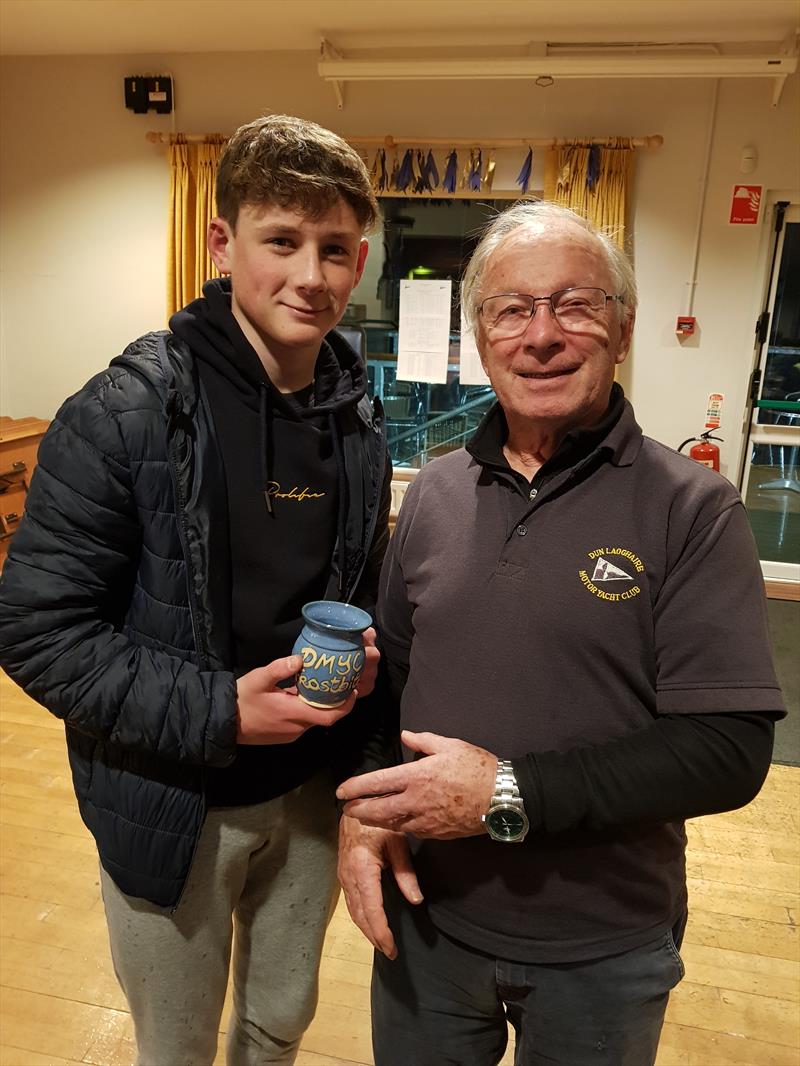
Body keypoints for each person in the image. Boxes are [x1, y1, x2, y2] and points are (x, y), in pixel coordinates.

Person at [336, 201, 784, 1066]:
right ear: (480, 337)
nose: (540, 335)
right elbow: (386, 684)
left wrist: (505, 793)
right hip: (426, 921)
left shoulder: (693, 508)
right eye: (510, 309)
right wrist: (361, 816)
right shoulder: (431, 493)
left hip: (604, 948)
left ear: (623, 328)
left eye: (574, 303)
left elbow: (728, 750)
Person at [0, 114, 391, 1065]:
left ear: (361, 260)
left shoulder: (358, 415)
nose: (312, 275)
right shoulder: (128, 409)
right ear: (222, 244)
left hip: (309, 794)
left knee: (278, 1021)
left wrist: (368, 669)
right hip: (171, 801)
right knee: (175, 1045)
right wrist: (221, 710)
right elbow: (37, 631)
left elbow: (354, 585)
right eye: (282, 241)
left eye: (335, 249)